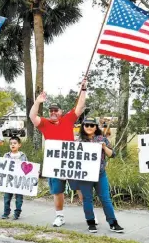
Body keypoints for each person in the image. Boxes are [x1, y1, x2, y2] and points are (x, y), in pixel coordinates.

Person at [29, 79, 87, 227]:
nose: (53, 112)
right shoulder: (44, 123)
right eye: (51, 111)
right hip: (54, 163)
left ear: (61, 112)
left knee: (80, 188)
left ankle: (89, 214)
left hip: (71, 161)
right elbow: (32, 117)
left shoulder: (67, 120)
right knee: (57, 191)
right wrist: (38, 102)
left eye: (56, 110)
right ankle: (59, 216)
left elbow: (79, 107)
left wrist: (84, 89)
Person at [73, 117, 124, 233]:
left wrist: (104, 147)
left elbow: (112, 154)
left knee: (105, 199)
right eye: (87, 125)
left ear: (96, 127)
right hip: (85, 175)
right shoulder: (78, 141)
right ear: (83, 126)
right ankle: (91, 223)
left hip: (100, 174)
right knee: (87, 199)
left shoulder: (102, 139)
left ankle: (113, 223)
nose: (89, 127)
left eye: (92, 125)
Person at [1, 135, 27, 220]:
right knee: (7, 198)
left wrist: (35, 172)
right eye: (11, 143)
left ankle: (17, 213)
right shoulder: (6, 155)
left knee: (19, 199)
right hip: (9, 181)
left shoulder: (23, 156)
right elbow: (1, 166)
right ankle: (6, 213)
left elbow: (27, 166)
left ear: (19, 145)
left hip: (19, 182)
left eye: (15, 143)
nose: (13, 145)